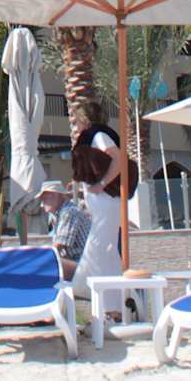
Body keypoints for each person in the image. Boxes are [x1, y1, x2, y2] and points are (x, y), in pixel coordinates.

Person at [70, 101, 126, 286]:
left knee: (99, 245)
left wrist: (102, 184)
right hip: (102, 202)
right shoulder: (96, 136)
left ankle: (89, 287)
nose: (75, 125)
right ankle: (114, 291)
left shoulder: (99, 136)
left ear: (84, 119)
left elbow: (118, 159)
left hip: (105, 200)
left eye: (77, 121)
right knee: (106, 249)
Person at [35, 182, 92, 281]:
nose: (42, 203)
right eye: (42, 199)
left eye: (45, 198)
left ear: (57, 195)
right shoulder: (60, 214)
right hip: (80, 263)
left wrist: (36, 257)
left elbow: (59, 246)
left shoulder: (69, 212)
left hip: (85, 265)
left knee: (46, 264)